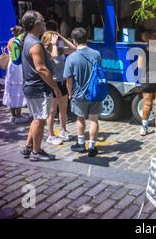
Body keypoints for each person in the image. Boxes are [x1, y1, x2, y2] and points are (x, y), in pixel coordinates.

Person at [19, 10, 62, 161]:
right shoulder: (35, 43)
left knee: (36, 118)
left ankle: (28, 147)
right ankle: (36, 153)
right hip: (39, 88)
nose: (45, 23)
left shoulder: (28, 40)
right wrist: (55, 87)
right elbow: (41, 69)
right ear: (37, 24)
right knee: (39, 120)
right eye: (43, 21)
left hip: (32, 87)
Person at [64, 27, 102, 157]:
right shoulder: (96, 54)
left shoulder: (71, 58)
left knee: (80, 119)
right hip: (95, 92)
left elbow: (68, 79)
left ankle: (81, 144)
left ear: (74, 41)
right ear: (87, 38)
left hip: (79, 94)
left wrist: (70, 93)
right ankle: (92, 147)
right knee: (94, 120)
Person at [41, 31, 76, 145]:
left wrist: (62, 38)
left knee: (63, 109)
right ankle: (51, 135)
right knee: (51, 112)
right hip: (52, 83)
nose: (55, 41)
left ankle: (63, 130)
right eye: (53, 39)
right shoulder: (45, 52)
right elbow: (54, 55)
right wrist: (54, 44)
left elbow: (74, 48)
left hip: (62, 82)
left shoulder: (59, 49)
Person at [3, 26, 29, 124]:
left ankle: (13, 116)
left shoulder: (10, 41)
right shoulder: (20, 42)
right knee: (18, 90)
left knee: (11, 90)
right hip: (18, 67)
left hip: (11, 66)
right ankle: (18, 116)